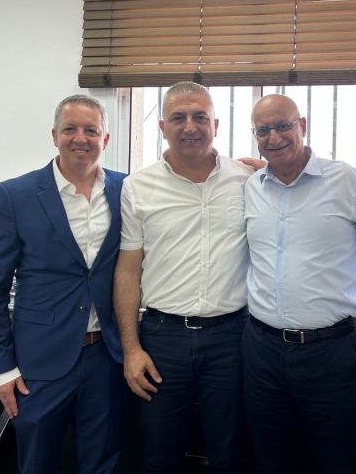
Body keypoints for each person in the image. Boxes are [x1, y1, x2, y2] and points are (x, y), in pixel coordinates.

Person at [0, 94, 126, 474]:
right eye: (70, 129)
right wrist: (1, 370)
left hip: (106, 357)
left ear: (106, 139)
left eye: (91, 130)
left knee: (104, 463)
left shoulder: (127, 190)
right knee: (37, 463)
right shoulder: (15, 195)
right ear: (54, 135)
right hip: (38, 363)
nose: (81, 138)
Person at [114, 82, 252, 473]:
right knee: (159, 452)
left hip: (231, 336)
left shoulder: (247, 180)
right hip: (163, 338)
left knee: (231, 452)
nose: (190, 126)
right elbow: (128, 270)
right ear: (162, 127)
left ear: (216, 125)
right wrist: (131, 349)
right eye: (178, 117)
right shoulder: (138, 187)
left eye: (199, 117)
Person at [243, 94, 356, 474]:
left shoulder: (347, 181)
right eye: (263, 130)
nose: (274, 137)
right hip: (262, 350)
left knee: (337, 461)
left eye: (283, 126)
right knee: (270, 460)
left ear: (301, 125)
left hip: (331, 352)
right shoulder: (251, 186)